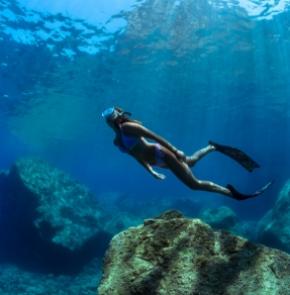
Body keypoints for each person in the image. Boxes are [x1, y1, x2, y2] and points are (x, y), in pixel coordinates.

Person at [102, 106, 272, 201]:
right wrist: (152, 171)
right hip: (157, 163)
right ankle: (211, 147)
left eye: (111, 115)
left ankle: (231, 194)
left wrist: (175, 150)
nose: (110, 119)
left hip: (162, 154)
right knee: (190, 162)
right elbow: (136, 157)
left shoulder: (128, 128)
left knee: (194, 184)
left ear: (117, 116)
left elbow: (155, 137)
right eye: (107, 118)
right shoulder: (117, 141)